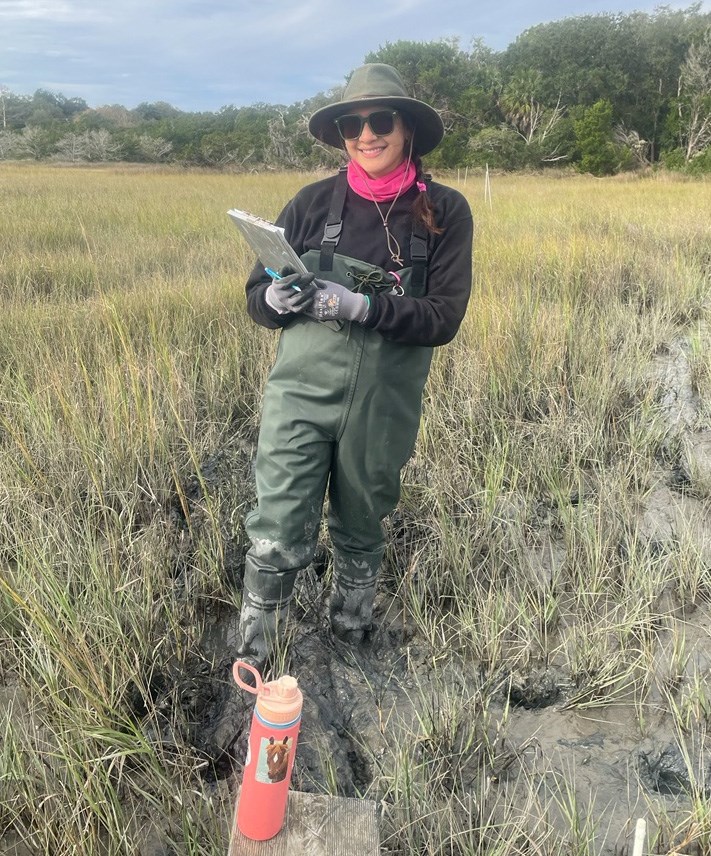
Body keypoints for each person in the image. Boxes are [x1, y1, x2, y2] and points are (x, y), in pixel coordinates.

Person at [235, 63, 473, 673]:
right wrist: (273, 299)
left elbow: (444, 318)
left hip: (382, 403)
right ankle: (256, 657)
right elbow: (255, 298)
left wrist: (363, 306)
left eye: (380, 120)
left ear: (407, 127)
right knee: (277, 520)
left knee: (363, 519)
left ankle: (350, 635)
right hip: (299, 394)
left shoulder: (446, 211)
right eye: (352, 124)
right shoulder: (312, 203)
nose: (366, 135)